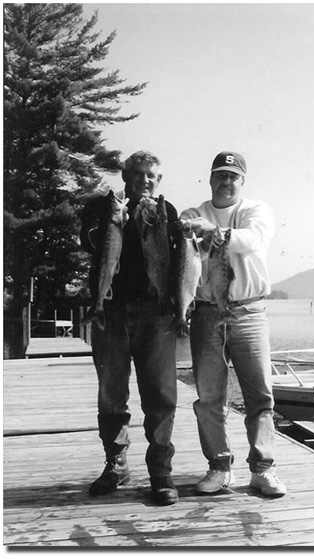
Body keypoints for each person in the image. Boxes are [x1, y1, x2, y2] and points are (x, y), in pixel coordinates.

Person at [180, 151, 286, 498]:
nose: (226, 182)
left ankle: (263, 469)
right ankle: (218, 466)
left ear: (242, 181)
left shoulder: (256, 210)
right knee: (209, 396)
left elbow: (253, 240)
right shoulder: (193, 214)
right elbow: (183, 248)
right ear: (210, 179)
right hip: (207, 312)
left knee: (260, 394)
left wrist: (216, 232)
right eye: (219, 175)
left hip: (250, 311)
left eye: (233, 177)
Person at [80, 151, 179, 506]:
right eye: (137, 173)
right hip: (111, 312)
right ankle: (116, 462)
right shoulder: (101, 206)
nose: (144, 180)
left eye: (151, 175)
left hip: (155, 314)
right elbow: (90, 242)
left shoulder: (165, 212)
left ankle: (160, 471)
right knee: (111, 393)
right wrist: (116, 221)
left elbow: (175, 260)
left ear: (159, 179)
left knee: (161, 396)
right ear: (125, 175)